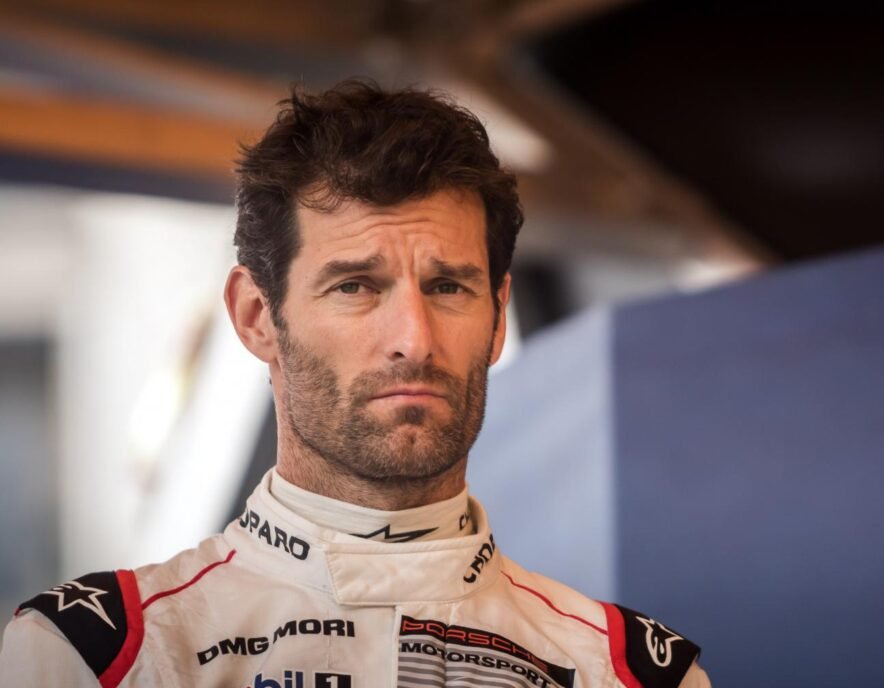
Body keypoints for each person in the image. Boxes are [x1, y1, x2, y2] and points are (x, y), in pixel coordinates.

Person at [0, 80, 710, 688]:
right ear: (257, 318)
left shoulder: (631, 671)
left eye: (448, 286)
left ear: (498, 318)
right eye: (355, 286)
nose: (414, 339)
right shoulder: (98, 656)